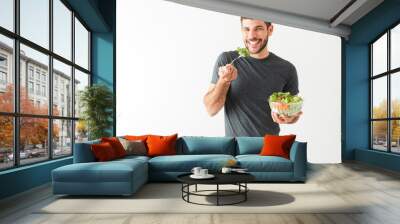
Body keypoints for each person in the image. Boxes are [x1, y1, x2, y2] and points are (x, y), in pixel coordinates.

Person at [203, 17, 302, 137]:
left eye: (258, 29)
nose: (251, 36)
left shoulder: (287, 69)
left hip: (268, 149)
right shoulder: (227, 60)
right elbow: (211, 109)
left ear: (270, 30)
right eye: (246, 29)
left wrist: (289, 118)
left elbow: (293, 113)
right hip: (236, 150)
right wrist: (224, 81)